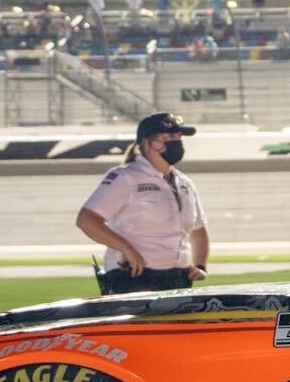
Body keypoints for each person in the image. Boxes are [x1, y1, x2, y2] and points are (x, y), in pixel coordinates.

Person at [76, 112, 209, 295]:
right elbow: (86, 220)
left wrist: (200, 266)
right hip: (132, 278)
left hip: (178, 280)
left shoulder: (184, 183)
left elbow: (198, 230)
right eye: (170, 136)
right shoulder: (125, 177)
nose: (177, 142)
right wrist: (127, 249)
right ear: (148, 142)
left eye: (178, 137)